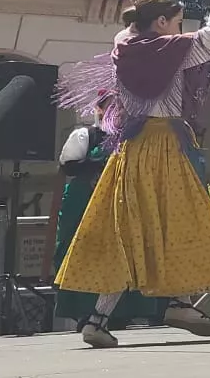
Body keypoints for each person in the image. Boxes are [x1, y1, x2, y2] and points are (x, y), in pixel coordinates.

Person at [52, 0, 210, 348]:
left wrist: (140, 10)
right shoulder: (170, 50)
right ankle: (178, 304)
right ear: (160, 23)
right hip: (166, 148)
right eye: (176, 21)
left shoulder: (124, 48)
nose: (180, 29)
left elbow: (128, 31)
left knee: (127, 231)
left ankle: (101, 318)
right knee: (183, 221)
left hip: (131, 151)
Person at [52, 96, 168, 331]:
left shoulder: (134, 138)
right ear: (100, 109)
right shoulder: (86, 135)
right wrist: (102, 164)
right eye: (111, 106)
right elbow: (69, 165)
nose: (118, 111)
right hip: (85, 204)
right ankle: (85, 311)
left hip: (122, 204)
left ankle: (120, 312)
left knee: (126, 253)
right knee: (82, 253)